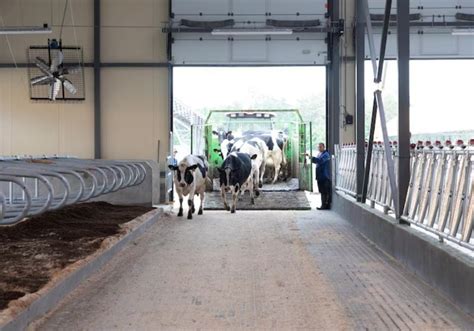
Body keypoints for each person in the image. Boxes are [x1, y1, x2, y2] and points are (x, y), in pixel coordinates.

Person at [310, 143, 332, 210]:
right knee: (322, 191)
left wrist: (312, 158)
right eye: (318, 147)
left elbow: (320, 161)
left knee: (325, 191)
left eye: (320, 147)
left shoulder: (326, 155)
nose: (319, 148)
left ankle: (325, 205)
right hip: (320, 176)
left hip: (324, 176)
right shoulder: (319, 154)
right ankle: (323, 205)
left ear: (324, 147)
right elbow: (317, 161)